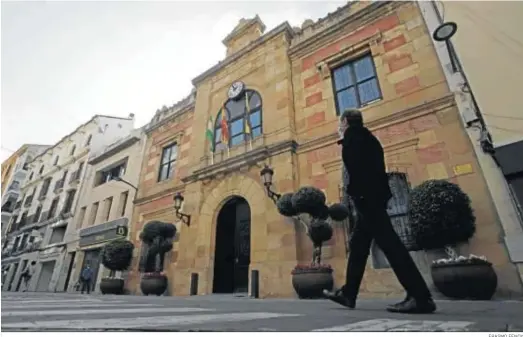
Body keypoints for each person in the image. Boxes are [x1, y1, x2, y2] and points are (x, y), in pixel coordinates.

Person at [323, 108, 436, 314]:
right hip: (373, 199)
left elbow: (357, 172)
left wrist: (358, 198)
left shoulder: (353, 138)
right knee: (358, 246)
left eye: (340, 123)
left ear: (346, 121)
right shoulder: (369, 138)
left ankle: (420, 297)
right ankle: (348, 294)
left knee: (391, 246)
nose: (339, 127)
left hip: (369, 202)